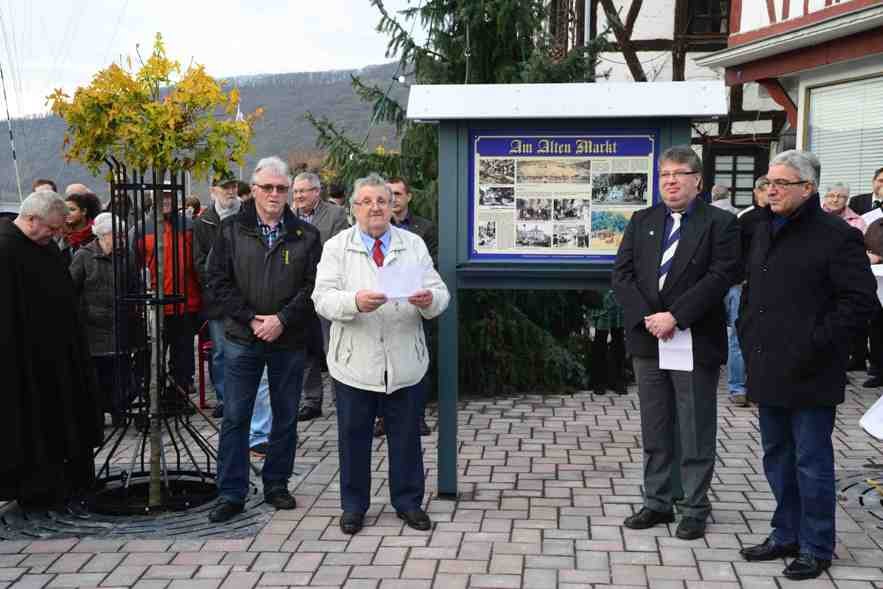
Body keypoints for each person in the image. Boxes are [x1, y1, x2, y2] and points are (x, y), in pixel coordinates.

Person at [737, 150, 877, 580]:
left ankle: (817, 546)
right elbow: (753, 291)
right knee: (777, 457)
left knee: (811, 462)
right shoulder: (762, 228)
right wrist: (746, 332)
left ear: (808, 188)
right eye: (768, 182)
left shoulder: (837, 236)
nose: (771, 190)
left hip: (812, 370)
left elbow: (860, 303)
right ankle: (786, 534)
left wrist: (816, 343)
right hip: (768, 364)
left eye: (781, 183)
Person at [612, 145, 740, 541]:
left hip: (693, 338)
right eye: (665, 174)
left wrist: (676, 316)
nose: (670, 181)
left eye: (679, 174)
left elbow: (721, 276)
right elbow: (622, 274)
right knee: (655, 425)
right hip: (649, 339)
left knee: (694, 426)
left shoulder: (720, 223)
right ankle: (657, 501)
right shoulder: (643, 220)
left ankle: (694, 507)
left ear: (697, 180)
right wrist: (649, 319)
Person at [312, 173, 450, 535]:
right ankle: (353, 507)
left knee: (406, 438)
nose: (375, 207)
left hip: (405, 362)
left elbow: (440, 293)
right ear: (353, 208)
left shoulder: (413, 244)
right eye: (367, 201)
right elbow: (322, 299)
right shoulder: (337, 247)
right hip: (354, 363)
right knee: (353, 439)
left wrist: (428, 300)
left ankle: (408, 503)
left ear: (393, 206)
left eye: (382, 201)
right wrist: (354, 302)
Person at [206, 156, 322, 523]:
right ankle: (231, 492)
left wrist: (282, 319)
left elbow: (313, 286)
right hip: (243, 337)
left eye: (281, 188)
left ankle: (276, 484)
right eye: (267, 187)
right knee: (236, 417)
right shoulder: (230, 230)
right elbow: (217, 280)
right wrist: (251, 318)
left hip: (288, 339)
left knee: (285, 417)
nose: (274, 194)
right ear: (253, 190)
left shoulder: (306, 235)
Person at [0, 191, 103, 514]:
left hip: (58, 355)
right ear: (32, 220)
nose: (57, 234)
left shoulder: (45, 248)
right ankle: (34, 489)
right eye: (53, 228)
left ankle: (66, 481)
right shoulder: (5, 250)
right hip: (23, 360)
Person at [373, 176, 439, 438]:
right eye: (389, 194)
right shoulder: (376, 228)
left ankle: (417, 416)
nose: (394, 199)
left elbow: (432, 263)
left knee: (417, 362)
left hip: (413, 304)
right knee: (382, 363)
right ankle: (383, 417)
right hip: (383, 306)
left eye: (398, 194)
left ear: (408, 197)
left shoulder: (425, 228)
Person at [70, 212, 140, 426]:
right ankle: (97, 415)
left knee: (120, 372)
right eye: (115, 235)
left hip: (120, 323)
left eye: (122, 234)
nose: (121, 238)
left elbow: (134, 285)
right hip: (93, 326)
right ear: (102, 235)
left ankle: (120, 412)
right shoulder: (84, 256)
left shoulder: (127, 255)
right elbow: (71, 288)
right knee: (97, 373)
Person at [292, 171, 350, 422]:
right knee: (306, 350)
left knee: (331, 347)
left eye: (303, 191)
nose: (298, 196)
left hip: (327, 290)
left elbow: (339, 251)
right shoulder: (288, 216)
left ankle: (341, 400)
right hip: (300, 294)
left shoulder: (335, 215)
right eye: (295, 191)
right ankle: (312, 401)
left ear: (317, 192)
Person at [137, 192, 203, 400]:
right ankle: (153, 397)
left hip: (185, 302)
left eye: (169, 197)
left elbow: (198, 262)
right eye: (161, 197)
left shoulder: (190, 226)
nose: (165, 201)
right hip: (154, 305)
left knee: (182, 356)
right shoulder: (140, 229)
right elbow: (134, 265)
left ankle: (179, 397)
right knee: (153, 356)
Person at [193, 174, 242, 419]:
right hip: (217, 298)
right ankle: (224, 398)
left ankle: (244, 397)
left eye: (233, 187)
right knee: (221, 352)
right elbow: (199, 261)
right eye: (225, 188)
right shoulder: (203, 221)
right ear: (213, 190)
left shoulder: (248, 215)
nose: (231, 191)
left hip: (246, 296)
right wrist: (219, 283)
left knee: (245, 351)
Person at [588, 289, 627, 395]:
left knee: (618, 340)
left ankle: (618, 380)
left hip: (618, 295)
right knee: (600, 340)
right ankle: (598, 381)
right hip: (601, 294)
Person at [64, 191, 102, 259]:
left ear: (84, 211)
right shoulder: (61, 234)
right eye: (65, 210)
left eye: (72, 209)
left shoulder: (96, 235)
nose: (67, 213)